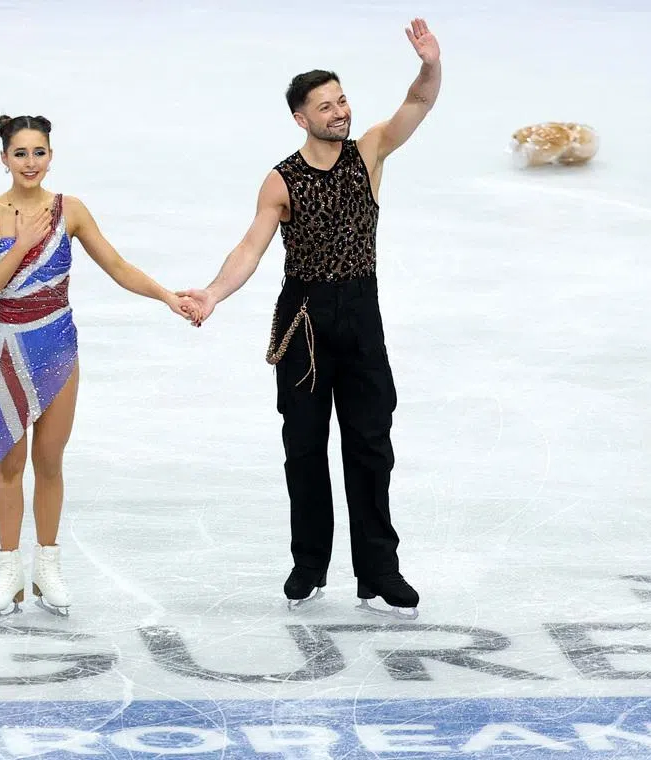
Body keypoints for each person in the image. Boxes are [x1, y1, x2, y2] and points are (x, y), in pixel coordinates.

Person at [178, 19, 442, 617]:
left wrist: (428, 64)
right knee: (304, 446)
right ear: (301, 117)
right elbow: (251, 247)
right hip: (304, 319)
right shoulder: (282, 179)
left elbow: (419, 101)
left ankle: (379, 572)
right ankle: (309, 565)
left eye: (342, 99)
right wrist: (216, 293)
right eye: (325, 107)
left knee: (371, 444)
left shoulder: (369, 152)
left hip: (361, 313)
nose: (339, 112)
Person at [0, 114, 193, 620]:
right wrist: (22, 246)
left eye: (39, 152)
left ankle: (47, 565)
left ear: (51, 155)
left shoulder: (70, 211)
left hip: (57, 346)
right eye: (20, 153)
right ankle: (9, 568)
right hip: (7, 348)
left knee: (49, 462)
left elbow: (116, 265)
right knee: (11, 463)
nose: (31, 163)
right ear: (4, 158)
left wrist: (165, 296)